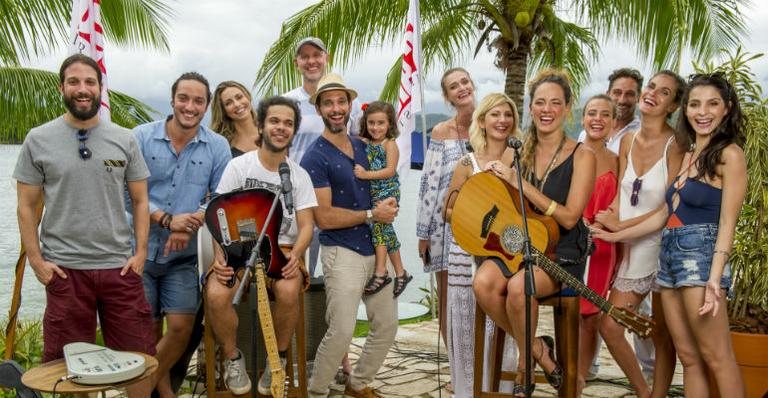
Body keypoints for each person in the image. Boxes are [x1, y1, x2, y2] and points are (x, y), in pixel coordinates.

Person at [593, 72, 746, 397]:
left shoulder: (729, 155)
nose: (702, 112)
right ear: (686, 111)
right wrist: (615, 236)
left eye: (712, 104)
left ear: (727, 109)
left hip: (700, 258)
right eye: (695, 104)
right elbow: (665, 214)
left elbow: (728, 224)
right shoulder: (690, 156)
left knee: (718, 357)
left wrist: (714, 281)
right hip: (669, 258)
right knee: (689, 359)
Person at [13, 54, 154, 397]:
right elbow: (26, 205)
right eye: (74, 82)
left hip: (119, 270)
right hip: (65, 271)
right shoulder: (38, 139)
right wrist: (36, 261)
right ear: (62, 87)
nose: (82, 89)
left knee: (140, 360)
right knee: (67, 369)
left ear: (99, 88)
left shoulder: (124, 139)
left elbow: (140, 201)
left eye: (90, 82)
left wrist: (140, 255)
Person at [476, 69, 596, 397]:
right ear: (530, 109)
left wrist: (521, 184)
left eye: (555, 103)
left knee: (519, 288)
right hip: (518, 245)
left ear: (568, 108)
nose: (546, 109)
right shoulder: (515, 151)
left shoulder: (583, 155)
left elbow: (571, 218)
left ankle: (525, 371)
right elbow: (498, 202)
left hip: (561, 250)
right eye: (539, 102)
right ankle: (540, 350)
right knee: (483, 284)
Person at [206, 96, 317, 395]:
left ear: (294, 131)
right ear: (262, 125)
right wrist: (220, 257)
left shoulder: (299, 175)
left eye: (288, 123)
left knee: (289, 289)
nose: (281, 128)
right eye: (275, 121)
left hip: (282, 249)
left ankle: (276, 358)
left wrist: (297, 254)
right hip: (240, 248)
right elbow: (219, 217)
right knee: (216, 293)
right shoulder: (238, 167)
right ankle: (232, 357)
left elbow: (307, 225)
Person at [133, 72, 232, 397]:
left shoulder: (217, 146)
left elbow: (219, 200)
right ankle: (164, 392)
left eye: (198, 101)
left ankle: (140, 388)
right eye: (184, 98)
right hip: (140, 253)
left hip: (183, 256)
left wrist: (187, 223)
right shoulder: (140, 138)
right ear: (173, 99)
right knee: (146, 333)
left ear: (206, 106)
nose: (190, 106)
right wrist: (165, 219)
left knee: (180, 328)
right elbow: (123, 192)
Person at [300, 73, 399, 398]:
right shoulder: (314, 157)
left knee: (386, 326)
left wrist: (389, 202)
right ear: (319, 109)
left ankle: (358, 384)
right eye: (328, 102)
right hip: (342, 252)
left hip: (377, 249)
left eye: (341, 101)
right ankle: (315, 392)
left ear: (350, 105)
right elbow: (324, 218)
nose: (336, 108)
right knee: (341, 331)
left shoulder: (363, 144)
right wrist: (374, 214)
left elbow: (385, 181)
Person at [595, 70, 686, 398]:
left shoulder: (677, 145)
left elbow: (670, 207)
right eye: (651, 87)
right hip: (628, 246)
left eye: (664, 93)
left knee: (662, 334)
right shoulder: (628, 140)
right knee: (611, 326)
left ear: (673, 105)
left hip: (660, 247)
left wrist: (622, 229)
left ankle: (656, 395)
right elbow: (622, 194)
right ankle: (644, 391)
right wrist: (606, 222)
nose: (652, 94)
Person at [442, 93, 521, 397]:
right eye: (495, 115)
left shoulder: (520, 159)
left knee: (500, 323)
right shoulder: (467, 162)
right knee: (467, 329)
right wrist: (474, 221)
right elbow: (447, 211)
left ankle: (499, 389)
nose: (502, 120)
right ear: (483, 121)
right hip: (466, 253)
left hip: (506, 256)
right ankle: (467, 391)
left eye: (508, 115)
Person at [415, 67, 476, 357]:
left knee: (479, 298)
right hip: (444, 228)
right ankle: (456, 365)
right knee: (449, 300)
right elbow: (429, 185)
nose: (461, 88)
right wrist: (423, 234)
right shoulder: (441, 131)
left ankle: (479, 363)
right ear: (447, 96)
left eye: (464, 82)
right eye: (454, 86)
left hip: (481, 227)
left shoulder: (490, 123)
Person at [577, 95, 619, 393]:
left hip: (603, 247)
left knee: (590, 316)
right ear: (582, 119)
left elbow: (624, 202)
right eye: (592, 113)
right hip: (571, 244)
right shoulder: (570, 153)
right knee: (567, 312)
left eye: (605, 114)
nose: (598, 119)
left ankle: (579, 380)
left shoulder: (617, 161)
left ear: (614, 123)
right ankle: (565, 373)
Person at [353, 101, 412, 298]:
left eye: (380, 123)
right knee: (387, 231)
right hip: (375, 192)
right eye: (371, 123)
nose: (376, 128)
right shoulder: (367, 143)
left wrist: (364, 175)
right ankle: (402, 273)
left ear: (389, 125)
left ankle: (381, 272)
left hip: (388, 191)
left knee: (379, 227)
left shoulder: (389, 144)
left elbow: (389, 171)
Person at [211, 80, 260, 157]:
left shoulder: (272, 129)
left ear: (248, 96)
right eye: (228, 103)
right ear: (223, 111)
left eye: (239, 97)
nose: (237, 104)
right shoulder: (222, 145)